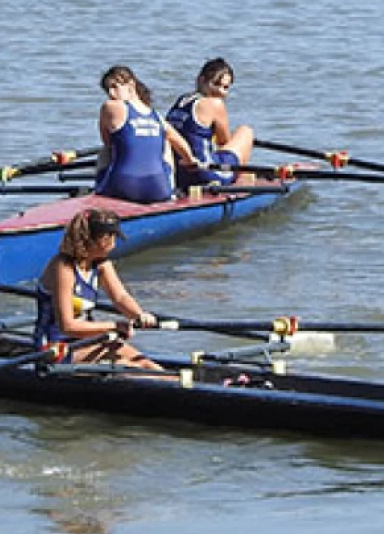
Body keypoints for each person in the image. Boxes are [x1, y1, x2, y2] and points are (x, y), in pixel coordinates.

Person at [34, 209, 160, 369]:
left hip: (86, 341)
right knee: (127, 366)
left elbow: (120, 297)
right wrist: (114, 326)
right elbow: (67, 326)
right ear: (96, 240)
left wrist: (140, 315)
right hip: (55, 348)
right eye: (112, 237)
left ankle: (178, 387)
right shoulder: (63, 268)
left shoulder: (102, 265)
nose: (115, 243)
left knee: (145, 363)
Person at [92, 65, 196, 203]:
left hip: (121, 187)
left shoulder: (110, 106)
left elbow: (107, 142)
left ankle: (98, 189)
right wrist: (191, 161)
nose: (111, 93)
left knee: (106, 151)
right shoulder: (157, 117)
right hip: (158, 190)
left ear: (131, 85)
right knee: (165, 141)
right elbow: (183, 146)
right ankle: (170, 191)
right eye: (108, 90)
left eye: (115, 86)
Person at [166, 58, 254, 190]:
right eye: (216, 84)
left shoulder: (182, 100)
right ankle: (236, 183)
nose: (221, 91)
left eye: (226, 87)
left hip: (178, 175)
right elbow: (224, 142)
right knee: (245, 132)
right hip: (206, 174)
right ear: (201, 80)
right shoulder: (215, 103)